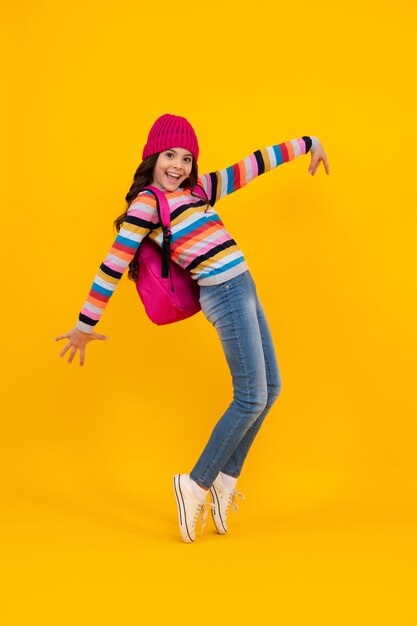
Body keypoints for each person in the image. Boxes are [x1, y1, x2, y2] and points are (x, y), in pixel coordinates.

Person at [55, 113, 330, 543]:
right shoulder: (148, 203)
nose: (178, 165)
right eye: (170, 155)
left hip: (246, 286)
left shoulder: (199, 191)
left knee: (270, 390)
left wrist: (309, 142)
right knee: (250, 396)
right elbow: (114, 263)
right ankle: (196, 484)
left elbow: (254, 164)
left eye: (186, 158)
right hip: (222, 293)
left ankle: (225, 482)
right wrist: (84, 324)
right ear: (152, 157)